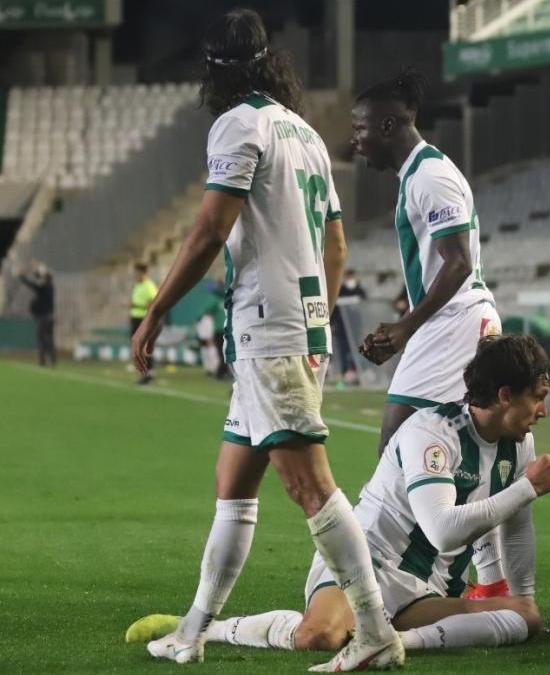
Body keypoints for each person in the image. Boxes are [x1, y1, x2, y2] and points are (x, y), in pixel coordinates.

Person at [128, 9, 404, 669]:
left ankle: (374, 631)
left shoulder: (236, 124)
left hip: (267, 326)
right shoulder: (302, 131)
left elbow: (206, 230)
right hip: (288, 324)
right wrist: (316, 314)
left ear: (214, 74)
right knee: (234, 480)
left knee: (308, 484)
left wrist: (157, 311)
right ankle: (193, 631)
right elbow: (334, 242)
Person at [126, 334, 550, 656]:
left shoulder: (519, 444)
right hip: (366, 562)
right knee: (320, 636)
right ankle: (209, 628)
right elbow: (443, 532)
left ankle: (393, 641)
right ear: (505, 395)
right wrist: (527, 488)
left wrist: (523, 595)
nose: (543, 410)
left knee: (527, 617)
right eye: (537, 398)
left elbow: (516, 526)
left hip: (424, 590)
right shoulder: (432, 433)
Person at [351, 68, 507, 599]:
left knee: (400, 446)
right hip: (446, 323)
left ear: (390, 124)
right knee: (461, 449)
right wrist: (406, 325)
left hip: (455, 323)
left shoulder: (431, 176)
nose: (356, 138)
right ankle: (481, 579)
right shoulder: (417, 174)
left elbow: (459, 261)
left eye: (362, 128)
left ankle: (410, 575)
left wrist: (405, 327)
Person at [330, 269, 367, 386]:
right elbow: (335, 309)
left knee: (356, 349)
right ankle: (345, 372)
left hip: (356, 326)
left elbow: (364, 300)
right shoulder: (340, 290)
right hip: (341, 327)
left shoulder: (359, 290)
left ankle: (355, 371)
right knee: (343, 349)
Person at [19, 261, 55, 367]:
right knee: (49, 339)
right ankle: (52, 360)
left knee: (42, 339)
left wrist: (21, 276)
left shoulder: (43, 287)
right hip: (49, 317)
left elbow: (33, 283)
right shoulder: (49, 286)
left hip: (43, 317)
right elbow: (39, 277)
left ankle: (42, 361)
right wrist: (35, 269)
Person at [130, 262, 159, 384]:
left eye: (137, 272)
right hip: (135, 318)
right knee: (138, 346)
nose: (135, 275)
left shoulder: (149, 286)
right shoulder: (138, 285)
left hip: (144, 319)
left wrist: (135, 305)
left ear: (143, 272)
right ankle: (144, 373)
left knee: (144, 346)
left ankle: (148, 373)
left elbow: (152, 304)